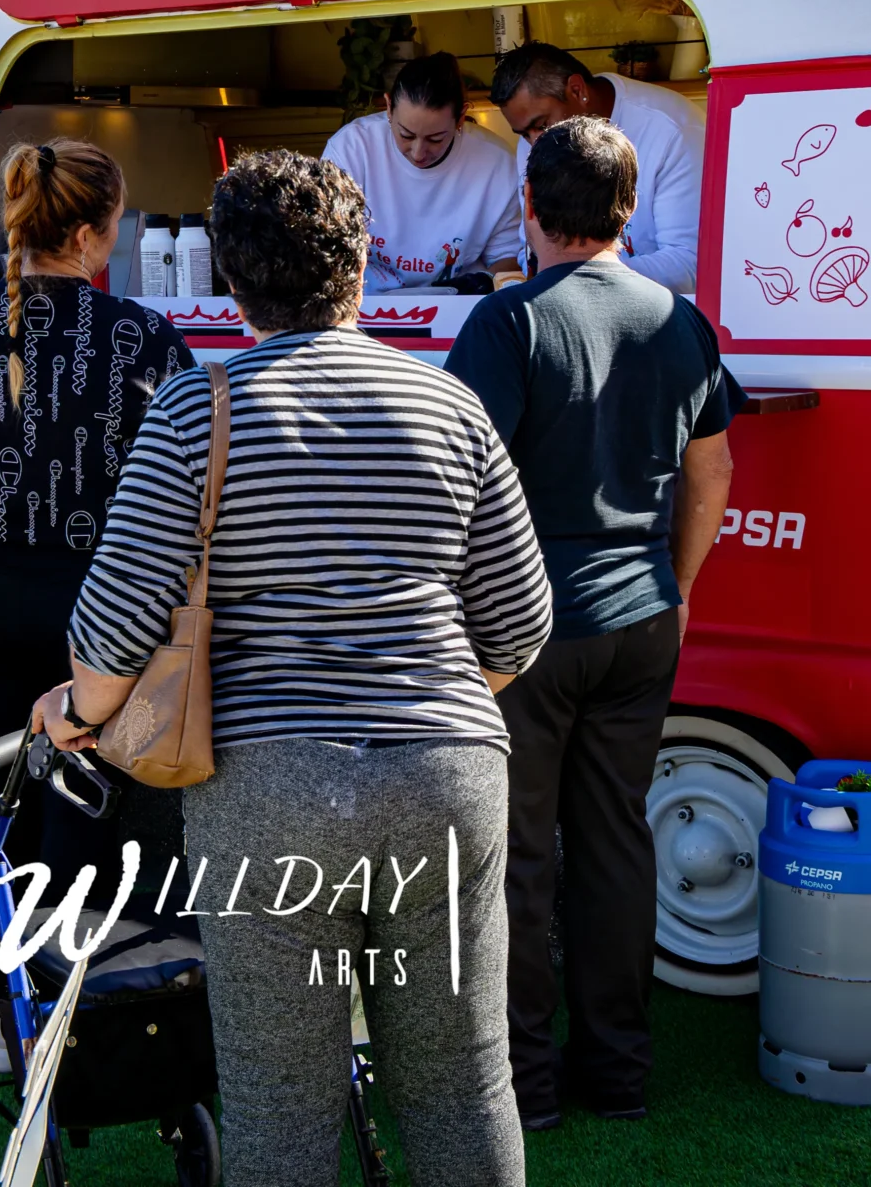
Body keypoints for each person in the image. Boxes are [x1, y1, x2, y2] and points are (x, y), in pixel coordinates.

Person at [40, 149, 552, 1187]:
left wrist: (74, 712)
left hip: (268, 792)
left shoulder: (195, 412)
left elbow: (114, 630)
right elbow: (517, 626)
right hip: (448, 775)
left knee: (282, 1096)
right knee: (461, 1083)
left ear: (228, 281)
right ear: (359, 264)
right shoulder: (449, 407)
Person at [444, 116, 737, 1129]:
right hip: (645, 613)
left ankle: (524, 1088)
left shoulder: (505, 324)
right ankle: (617, 1073)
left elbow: (460, 484)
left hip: (526, 631)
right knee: (616, 842)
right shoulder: (680, 318)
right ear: (628, 209)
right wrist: (681, 583)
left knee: (518, 854)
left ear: (528, 207)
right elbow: (713, 469)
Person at [0, 137, 192, 1071]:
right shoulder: (138, 335)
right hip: (96, 603)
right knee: (80, 804)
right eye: (114, 225)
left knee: (1, 799)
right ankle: (52, 1010)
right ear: (89, 231)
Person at [489, 42, 704, 295]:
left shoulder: (670, 130)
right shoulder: (535, 142)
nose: (535, 144)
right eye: (524, 134)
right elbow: (531, 251)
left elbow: (689, 265)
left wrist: (575, 278)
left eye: (542, 124)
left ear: (577, 90)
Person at [319, 51, 522, 293]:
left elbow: (508, 260)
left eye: (435, 139)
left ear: (461, 118)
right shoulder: (352, 149)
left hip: (459, 305)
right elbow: (325, 247)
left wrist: (474, 287)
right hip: (366, 305)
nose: (418, 153)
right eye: (406, 135)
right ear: (389, 109)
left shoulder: (496, 162)